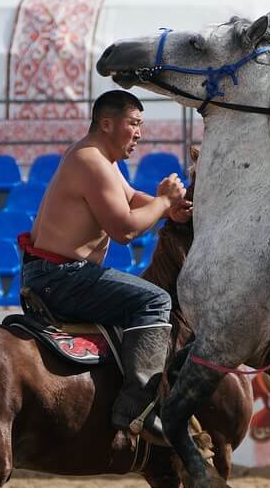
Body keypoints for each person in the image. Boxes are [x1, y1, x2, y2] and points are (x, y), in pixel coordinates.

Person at [20, 89, 188, 438]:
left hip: (59, 274)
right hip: (62, 278)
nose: (140, 133)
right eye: (134, 123)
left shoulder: (101, 160)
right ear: (108, 123)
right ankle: (136, 408)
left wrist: (168, 208)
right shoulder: (90, 161)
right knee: (156, 300)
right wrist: (163, 202)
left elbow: (129, 198)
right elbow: (124, 228)